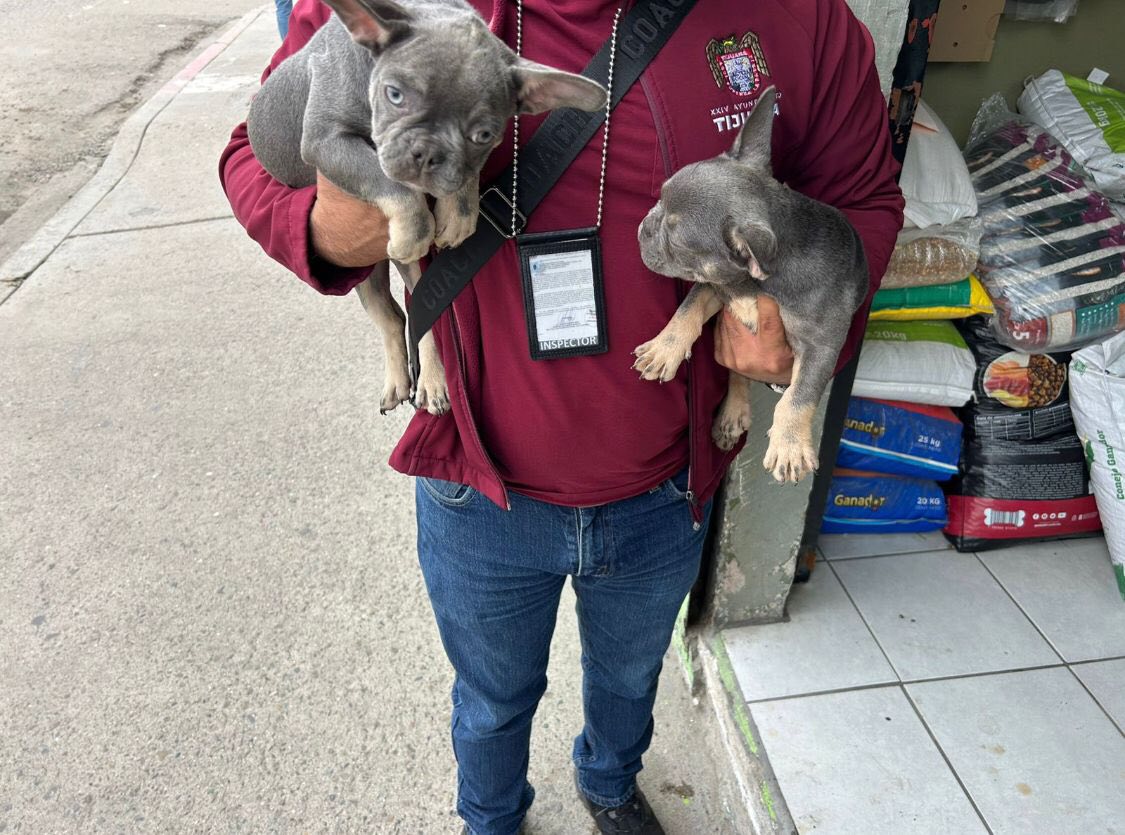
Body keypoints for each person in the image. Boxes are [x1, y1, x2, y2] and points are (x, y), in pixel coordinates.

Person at [219, 1, 903, 833]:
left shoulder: (802, 16)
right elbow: (256, 151)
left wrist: (802, 337)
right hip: (480, 482)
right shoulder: (399, 11)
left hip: (665, 485)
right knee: (491, 699)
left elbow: (861, 200)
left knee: (629, 680)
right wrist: (335, 226)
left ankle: (608, 786)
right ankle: (490, 816)